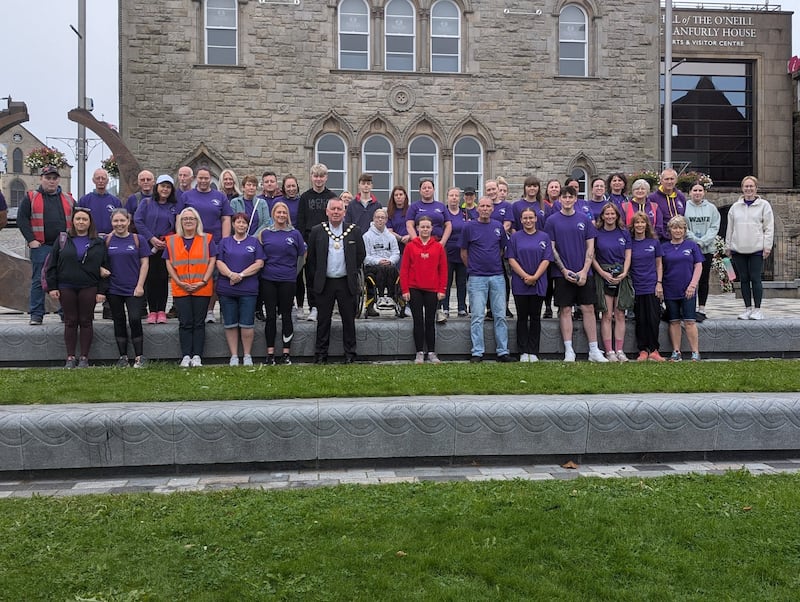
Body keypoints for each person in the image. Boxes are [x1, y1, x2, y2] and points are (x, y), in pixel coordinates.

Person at [544, 186, 608, 362]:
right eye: (563, 197)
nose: (566, 200)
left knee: (588, 308)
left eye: (570, 197)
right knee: (565, 310)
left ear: (575, 199)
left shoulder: (584, 219)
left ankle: (594, 350)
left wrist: (585, 270)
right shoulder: (551, 221)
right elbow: (552, 248)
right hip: (562, 273)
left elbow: (591, 247)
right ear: (560, 200)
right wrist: (564, 270)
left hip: (584, 273)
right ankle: (569, 350)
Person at [45, 207, 109, 369]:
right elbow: (51, 265)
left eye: (84, 219)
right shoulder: (63, 239)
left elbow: (106, 268)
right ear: (73, 221)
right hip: (66, 286)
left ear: (90, 223)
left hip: (89, 286)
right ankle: (70, 357)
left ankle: (84, 358)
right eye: (78, 219)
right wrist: (52, 287)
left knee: (86, 321)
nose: (81, 222)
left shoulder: (98, 242)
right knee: (70, 321)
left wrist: (102, 291)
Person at [306, 197, 365, 364]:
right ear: (327, 211)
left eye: (339, 209)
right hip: (325, 283)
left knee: (348, 320)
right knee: (323, 321)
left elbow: (361, 255)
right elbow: (312, 259)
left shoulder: (354, 231)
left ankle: (350, 354)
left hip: (346, 282)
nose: (336, 212)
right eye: (333, 209)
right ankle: (320, 354)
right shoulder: (317, 231)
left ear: (344, 212)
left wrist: (352, 270)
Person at [17, 165, 75, 325]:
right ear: (41, 179)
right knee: (38, 280)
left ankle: (65, 313)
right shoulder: (31, 197)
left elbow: (77, 221)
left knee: (64, 281)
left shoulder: (69, 198)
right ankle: (36, 314)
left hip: (64, 246)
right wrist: (31, 240)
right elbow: (22, 220)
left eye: (54, 178)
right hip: (41, 246)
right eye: (48, 178)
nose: (51, 181)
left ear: (58, 180)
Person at [460, 196, 515, 362]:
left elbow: (501, 249)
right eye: (482, 206)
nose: (485, 209)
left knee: (500, 315)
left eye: (488, 206)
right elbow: (464, 252)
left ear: (492, 209)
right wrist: (473, 267)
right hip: (477, 277)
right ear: (477, 208)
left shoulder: (498, 226)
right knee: (477, 316)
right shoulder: (469, 227)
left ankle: (502, 351)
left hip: (497, 276)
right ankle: (477, 352)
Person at [177, 166, 232, 323]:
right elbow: (179, 218)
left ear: (210, 178)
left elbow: (226, 218)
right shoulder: (187, 196)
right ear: (195, 178)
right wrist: (180, 239)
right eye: (200, 178)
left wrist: (225, 241)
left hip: (214, 243)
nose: (203, 181)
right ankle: (192, 311)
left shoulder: (220, 196)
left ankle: (209, 310)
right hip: (191, 243)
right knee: (193, 277)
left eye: (206, 178)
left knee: (214, 278)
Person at [165, 207, 217, 367]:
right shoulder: (172, 240)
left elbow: (212, 261)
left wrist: (203, 281)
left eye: (191, 218)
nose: (188, 221)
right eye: (185, 219)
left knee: (198, 323)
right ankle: (186, 355)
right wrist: (179, 282)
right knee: (185, 322)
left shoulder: (207, 239)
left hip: (201, 287)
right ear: (180, 222)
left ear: (197, 222)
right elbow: (168, 263)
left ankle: (197, 356)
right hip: (181, 288)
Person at [258, 202, 306, 365]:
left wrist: (294, 272)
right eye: (278, 212)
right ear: (273, 214)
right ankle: (270, 353)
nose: (281, 215)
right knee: (270, 316)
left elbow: (302, 255)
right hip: (269, 279)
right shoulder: (265, 234)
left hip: (288, 279)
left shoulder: (295, 234)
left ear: (287, 215)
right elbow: (259, 255)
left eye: (284, 213)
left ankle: (286, 353)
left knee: (286, 315)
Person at [217, 212, 265, 366]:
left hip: (248, 290)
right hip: (227, 289)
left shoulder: (254, 242)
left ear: (247, 225)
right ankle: (234, 356)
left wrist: (241, 275)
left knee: (247, 323)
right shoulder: (225, 242)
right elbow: (219, 263)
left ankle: (247, 355)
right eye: (238, 222)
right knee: (230, 323)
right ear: (233, 224)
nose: (241, 225)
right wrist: (231, 274)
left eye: (244, 223)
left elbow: (259, 263)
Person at [507, 207, 553, 362]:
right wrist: (526, 276)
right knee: (521, 317)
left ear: (535, 219)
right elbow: (511, 259)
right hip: (521, 283)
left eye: (530, 218)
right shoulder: (515, 237)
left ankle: (533, 351)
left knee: (535, 317)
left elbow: (546, 259)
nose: (528, 221)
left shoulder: (544, 237)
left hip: (538, 282)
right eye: (525, 218)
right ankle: (522, 351)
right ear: (521, 220)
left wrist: (535, 277)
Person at [105, 208, 150, 368]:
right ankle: (123, 357)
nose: (119, 224)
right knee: (118, 320)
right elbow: (99, 262)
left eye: (122, 221)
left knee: (135, 319)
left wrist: (140, 285)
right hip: (113, 289)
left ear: (128, 221)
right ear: (111, 222)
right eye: (116, 221)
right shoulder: (107, 240)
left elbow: (145, 263)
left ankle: (139, 356)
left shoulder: (138, 239)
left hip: (133, 288)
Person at [726, 175, 774, 321]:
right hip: (739, 248)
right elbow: (730, 228)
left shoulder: (764, 206)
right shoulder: (735, 207)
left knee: (755, 278)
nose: (748, 189)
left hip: (756, 249)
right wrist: (728, 246)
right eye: (746, 186)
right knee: (744, 279)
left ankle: (757, 309)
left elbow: (769, 227)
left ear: (756, 188)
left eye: (751, 186)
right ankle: (747, 308)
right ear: (742, 188)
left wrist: (767, 246)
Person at [400, 215, 448, 363]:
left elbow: (443, 270)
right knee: (418, 321)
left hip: (432, 289)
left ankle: (432, 352)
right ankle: (419, 352)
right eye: (422, 227)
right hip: (414, 288)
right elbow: (404, 269)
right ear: (417, 228)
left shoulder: (438, 247)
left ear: (431, 228)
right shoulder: (410, 246)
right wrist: (405, 290)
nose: (425, 229)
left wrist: (442, 289)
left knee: (430, 321)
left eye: (428, 227)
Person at [591, 202, 633, 362]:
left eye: (612, 214)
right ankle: (609, 351)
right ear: (602, 216)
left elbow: (628, 255)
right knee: (607, 315)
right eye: (607, 214)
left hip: (621, 275)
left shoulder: (624, 232)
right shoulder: (597, 233)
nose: (609, 217)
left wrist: (624, 273)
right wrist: (602, 273)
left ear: (617, 216)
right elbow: (592, 255)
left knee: (620, 314)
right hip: (604, 275)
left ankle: (620, 350)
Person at [135, 174, 178, 324]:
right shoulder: (146, 203)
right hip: (149, 247)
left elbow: (176, 227)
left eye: (168, 187)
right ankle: (152, 311)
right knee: (150, 279)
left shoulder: (173, 207)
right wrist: (151, 238)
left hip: (166, 248)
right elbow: (138, 221)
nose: (165, 189)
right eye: (162, 186)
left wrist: (168, 240)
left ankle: (161, 311)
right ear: (157, 187)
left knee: (163, 279)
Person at [297, 163, 337, 323]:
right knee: (311, 275)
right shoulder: (305, 197)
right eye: (316, 176)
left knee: (325, 275)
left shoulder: (332, 197)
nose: (318, 179)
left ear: (326, 177)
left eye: (321, 176)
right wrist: (302, 243)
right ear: (311, 177)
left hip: (327, 239)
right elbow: (300, 221)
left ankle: (323, 306)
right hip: (308, 240)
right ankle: (312, 307)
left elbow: (336, 218)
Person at [662, 215, 704, 361]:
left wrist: (693, 285)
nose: (677, 230)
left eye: (680, 227)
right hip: (670, 288)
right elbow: (660, 267)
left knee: (690, 321)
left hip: (688, 289)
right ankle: (676, 351)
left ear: (685, 230)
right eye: (674, 227)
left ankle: (695, 352)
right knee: (673, 321)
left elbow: (698, 266)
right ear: (670, 230)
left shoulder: (692, 246)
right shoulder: (664, 248)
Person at [628, 212, 665, 362]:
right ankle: (642, 350)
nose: (639, 225)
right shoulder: (630, 243)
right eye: (637, 222)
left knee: (653, 319)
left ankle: (654, 350)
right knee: (641, 319)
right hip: (636, 287)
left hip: (652, 286)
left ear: (646, 225)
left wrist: (659, 283)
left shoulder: (654, 242)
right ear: (633, 225)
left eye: (642, 222)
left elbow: (659, 264)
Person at [684, 181, 721, 322]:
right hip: (690, 249)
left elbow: (714, 226)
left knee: (703, 279)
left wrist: (703, 241)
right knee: (689, 278)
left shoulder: (711, 208)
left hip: (706, 249)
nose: (697, 193)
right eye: (695, 190)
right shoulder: (685, 207)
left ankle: (702, 307)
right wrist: (694, 240)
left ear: (704, 192)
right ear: (690, 192)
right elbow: (683, 226)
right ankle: (689, 306)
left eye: (700, 190)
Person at [362, 208, 400, 317]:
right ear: (373, 219)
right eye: (377, 217)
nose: (380, 220)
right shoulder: (366, 236)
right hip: (373, 266)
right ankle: (381, 297)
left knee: (391, 269)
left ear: (386, 220)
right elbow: (365, 257)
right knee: (381, 268)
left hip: (389, 265)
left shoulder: (391, 237)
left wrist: (390, 260)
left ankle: (391, 298)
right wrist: (378, 261)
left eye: (382, 218)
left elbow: (396, 253)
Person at [443, 186, 471, 319]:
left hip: (462, 253)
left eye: (456, 196)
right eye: (451, 195)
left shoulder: (466, 213)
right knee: (446, 282)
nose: (454, 198)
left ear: (459, 198)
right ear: (447, 197)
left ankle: (461, 307)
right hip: (447, 252)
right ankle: (445, 307)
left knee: (461, 282)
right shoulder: (443, 213)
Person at [406, 178, 451, 245]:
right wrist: (416, 241)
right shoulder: (414, 206)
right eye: (424, 188)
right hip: (419, 242)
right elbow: (409, 225)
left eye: (429, 188)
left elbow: (448, 225)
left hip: (438, 242)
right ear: (420, 191)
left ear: (433, 190)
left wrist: (443, 242)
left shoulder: (441, 206)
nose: (427, 190)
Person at [78, 168, 122, 235]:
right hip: (91, 238)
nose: (100, 181)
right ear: (93, 180)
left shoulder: (116, 201)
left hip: (111, 238)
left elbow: (120, 221)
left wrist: (111, 235)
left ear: (107, 180)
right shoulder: (84, 200)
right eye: (98, 178)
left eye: (103, 178)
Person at [648, 168, 686, 241]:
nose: (669, 182)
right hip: (661, 239)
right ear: (661, 180)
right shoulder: (652, 198)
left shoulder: (681, 197)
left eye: (672, 179)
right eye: (666, 179)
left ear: (676, 180)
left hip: (679, 238)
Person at [386, 185, 411, 252]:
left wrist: (409, 236)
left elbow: (417, 228)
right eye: (396, 195)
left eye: (401, 194)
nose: (398, 197)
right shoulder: (389, 213)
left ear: (405, 196)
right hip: (395, 246)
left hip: (411, 244)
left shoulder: (411, 210)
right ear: (393, 197)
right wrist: (401, 238)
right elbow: (389, 231)